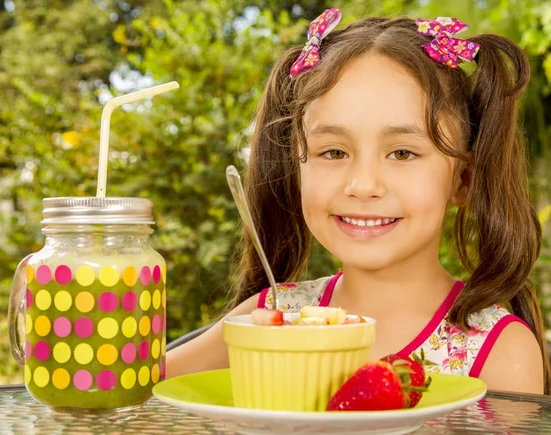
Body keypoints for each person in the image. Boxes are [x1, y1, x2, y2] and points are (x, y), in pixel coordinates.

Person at [167, 9, 551, 394]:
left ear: (463, 180)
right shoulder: (271, 317)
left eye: (402, 153)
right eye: (333, 152)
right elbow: (125, 387)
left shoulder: (501, 353)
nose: (363, 185)